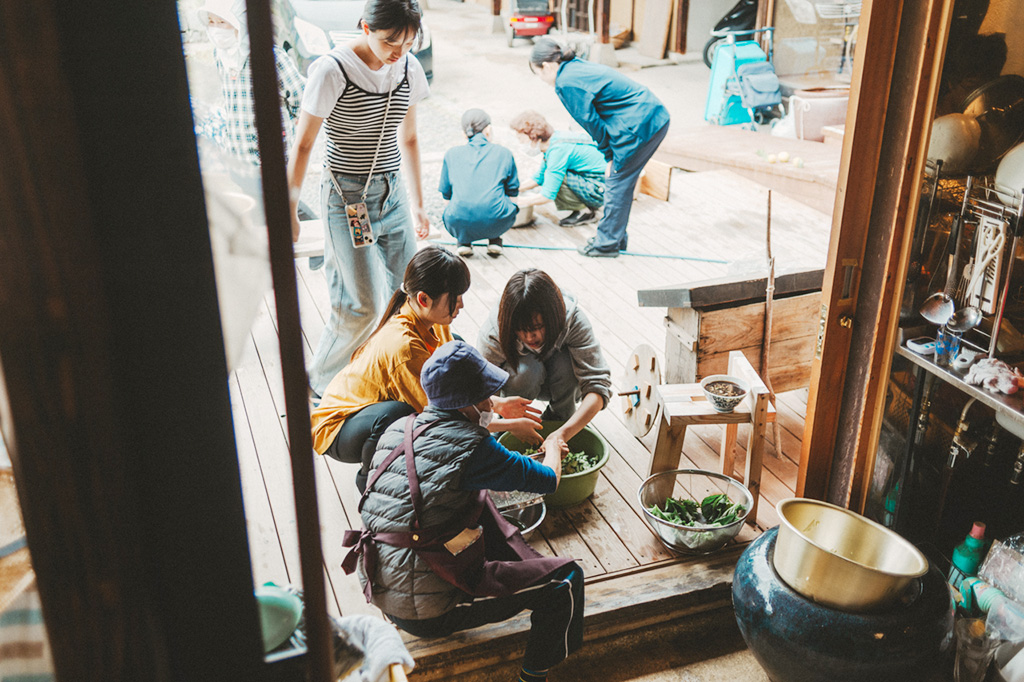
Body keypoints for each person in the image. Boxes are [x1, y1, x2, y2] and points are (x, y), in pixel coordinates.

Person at [343, 340, 584, 682]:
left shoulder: (399, 427)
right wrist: (555, 445)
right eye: (486, 397)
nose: (491, 404)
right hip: (427, 611)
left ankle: (520, 575)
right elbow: (548, 480)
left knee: (479, 499)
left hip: (382, 587)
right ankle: (534, 675)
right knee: (566, 580)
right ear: (467, 404)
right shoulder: (475, 447)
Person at [287, 0, 432, 398]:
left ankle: (386, 373)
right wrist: (290, 209)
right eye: (389, 41)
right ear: (364, 27)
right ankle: (318, 384)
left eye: (408, 41)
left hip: (393, 193)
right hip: (346, 195)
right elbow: (303, 145)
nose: (398, 52)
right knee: (361, 305)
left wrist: (418, 203)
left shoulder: (408, 66)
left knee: (410, 296)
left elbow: (412, 137)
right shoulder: (332, 70)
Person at [312, 246, 543, 492]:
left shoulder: (432, 320)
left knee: (457, 347)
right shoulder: (404, 347)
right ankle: (371, 480)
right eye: (455, 297)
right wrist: (510, 425)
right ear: (423, 299)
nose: (461, 305)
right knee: (397, 414)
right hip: (339, 428)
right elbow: (441, 417)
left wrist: (499, 405)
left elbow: (454, 391)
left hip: (367, 410)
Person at [529, 38, 671, 257]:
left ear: (546, 67)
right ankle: (615, 238)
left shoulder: (565, 83)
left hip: (638, 125)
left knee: (616, 181)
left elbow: (592, 124)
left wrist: (608, 156)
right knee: (621, 181)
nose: (540, 79)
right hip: (650, 115)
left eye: (537, 74)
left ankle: (606, 244)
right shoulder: (573, 67)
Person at [478, 269, 611, 446]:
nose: (529, 337)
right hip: (518, 385)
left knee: (567, 364)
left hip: (562, 382)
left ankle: (560, 420)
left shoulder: (574, 321)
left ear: (553, 316)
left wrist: (564, 433)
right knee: (526, 371)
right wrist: (501, 407)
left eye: (537, 327)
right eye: (521, 330)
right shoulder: (495, 330)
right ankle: (511, 427)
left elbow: (598, 385)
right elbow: (477, 391)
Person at [438, 109, 520, 258]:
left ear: (464, 133)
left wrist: (455, 218)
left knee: (458, 209)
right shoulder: (504, 153)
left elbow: (446, 194)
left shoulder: (451, 154)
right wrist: (509, 212)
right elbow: (513, 191)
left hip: (457, 220)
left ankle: (463, 242)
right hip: (497, 220)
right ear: (488, 130)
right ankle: (495, 239)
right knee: (499, 203)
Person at [509, 110, 605, 227]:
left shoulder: (558, 150)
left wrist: (517, 202)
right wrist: (513, 190)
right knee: (552, 175)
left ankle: (586, 211)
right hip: (599, 179)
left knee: (556, 178)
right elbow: (540, 176)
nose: (521, 144)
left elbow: (547, 195)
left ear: (534, 138)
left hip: (602, 188)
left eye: (522, 140)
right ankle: (585, 206)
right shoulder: (554, 140)